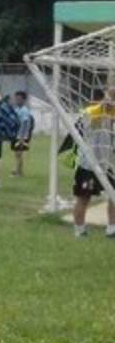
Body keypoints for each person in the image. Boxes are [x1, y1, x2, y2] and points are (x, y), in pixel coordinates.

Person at [69, 87, 115, 238]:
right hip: (88, 165)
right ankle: (79, 230)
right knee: (84, 197)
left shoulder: (110, 112)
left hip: (106, 164)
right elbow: (101, 110)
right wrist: (109, 97)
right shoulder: (90, 112)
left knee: (113, 195)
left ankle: (112, 228)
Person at [11, 91, 34, 177]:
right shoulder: (16, 109)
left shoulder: (24, 111)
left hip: (22, 136)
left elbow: (24, 124)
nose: (17, 100)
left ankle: (19, 172)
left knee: (19, 154)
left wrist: (22, 138)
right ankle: (17, 169)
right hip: (16, 135)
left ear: (24, 100)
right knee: (16, 154)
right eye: (16, 98)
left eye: (19, 99)